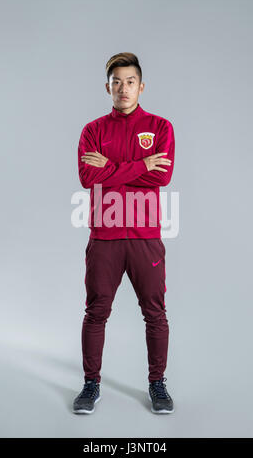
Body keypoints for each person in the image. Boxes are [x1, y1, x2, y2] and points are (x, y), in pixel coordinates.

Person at [73, 52, 175, 414]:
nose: (123, 88)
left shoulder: (161, 127)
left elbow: (161, 176)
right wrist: (138, 166)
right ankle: (90, 384)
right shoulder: (93, 131)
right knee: (96, 311)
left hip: (146, 236)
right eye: (116, 82)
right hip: (105, 236)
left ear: (141, 86)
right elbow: (88, 178)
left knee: (155, 312)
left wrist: (112, 169)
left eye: (130, 81)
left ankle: (157, 383)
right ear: (107, 87)